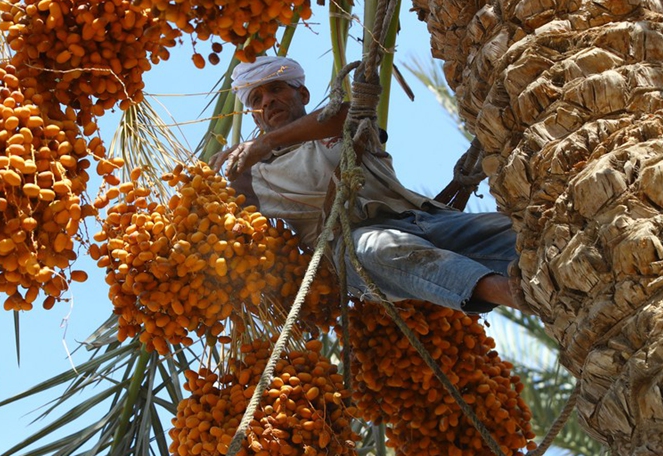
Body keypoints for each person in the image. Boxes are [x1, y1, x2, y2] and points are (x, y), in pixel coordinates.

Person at [209, 56, 524, 314]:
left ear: (302, 95)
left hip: (428, 218)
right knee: (380, 249)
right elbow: (221, 224)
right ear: (252, 114)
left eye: (276, 89)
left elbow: (351, 115)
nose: (268, 101)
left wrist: (265, 143)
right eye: (257, 99)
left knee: (518, 235)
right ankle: (513, 294)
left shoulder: (335, 120)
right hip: (354, 244)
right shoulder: (251, 174)